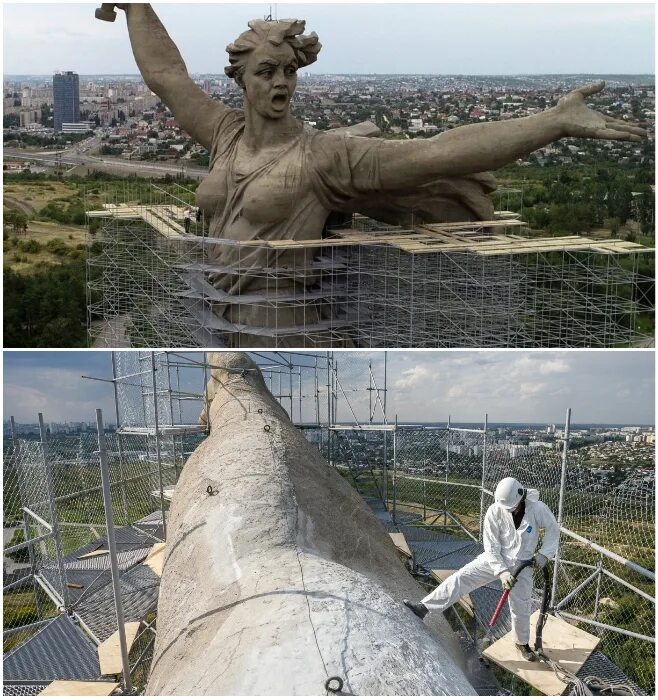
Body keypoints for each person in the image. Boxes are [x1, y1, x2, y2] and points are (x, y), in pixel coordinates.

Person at [108, 5, 645, 346]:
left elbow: (435, 154)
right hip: (214, 314)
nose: (281, 83)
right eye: (267, 72)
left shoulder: (323, 156)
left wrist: (552, 122)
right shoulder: (223, 133)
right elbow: (167, 77)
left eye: (290, 72)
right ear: (241, 79)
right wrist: (135, 5)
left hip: (277, 326)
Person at [403, 477, 560, 661]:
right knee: (461, 578)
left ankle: (522, 643)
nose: (511, 510)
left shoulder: (537, 509)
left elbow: (553, 529)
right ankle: (424, 607)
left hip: (522, 564)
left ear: (521, 497)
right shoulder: (495, 511)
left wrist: (544, 554)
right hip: (494, 560)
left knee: (521, 606)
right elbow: (491, 546)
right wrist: (502, 572)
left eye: (513, 507)